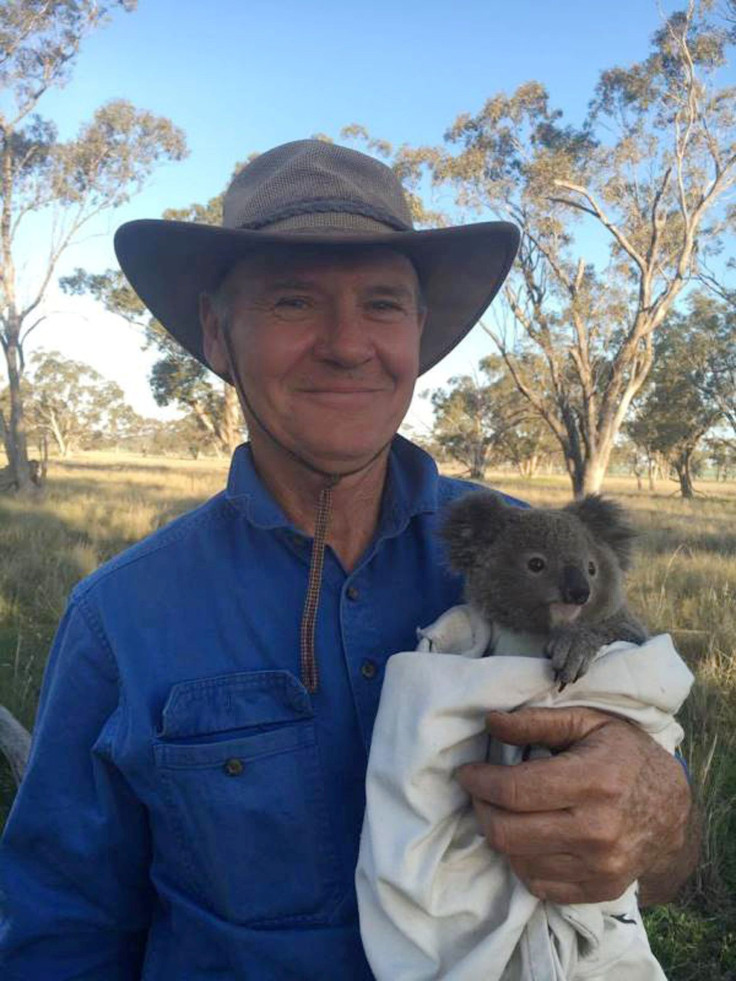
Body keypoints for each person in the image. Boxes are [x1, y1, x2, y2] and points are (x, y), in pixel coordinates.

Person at [0, 140, 695, 980]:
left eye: (383, 304)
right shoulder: (119, 620)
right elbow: (63, 929)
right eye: (293, 302)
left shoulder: (536, 548)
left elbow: (662, 845)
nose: (346, 342)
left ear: (418, 335)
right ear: (218, 335)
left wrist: (656, 818)